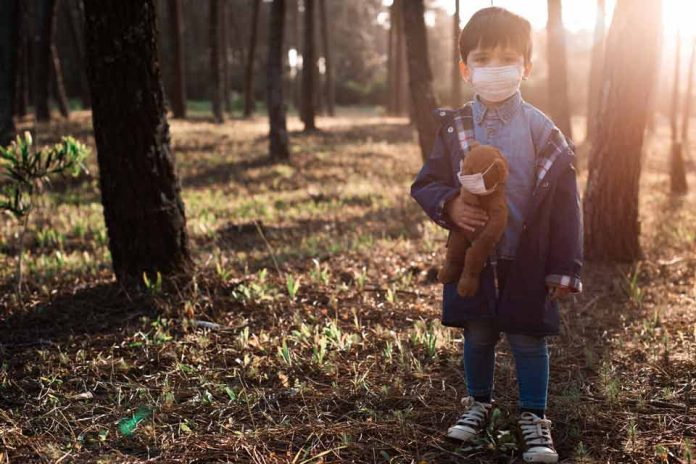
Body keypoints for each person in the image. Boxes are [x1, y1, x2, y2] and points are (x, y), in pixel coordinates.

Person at [410, 7, 583, 464]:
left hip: (528, 256)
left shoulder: (544, 131)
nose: (495, 68)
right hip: (475, 259)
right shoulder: (455, 128)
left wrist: (565, 266)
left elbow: (566, 204)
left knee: (529, 337)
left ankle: (532, 416)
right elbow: (425, 184)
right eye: (483, 58)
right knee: (478, 333)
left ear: (527, 67)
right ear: (466, 69)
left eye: (508, 58)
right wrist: (448, 203)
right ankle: (478, 404)